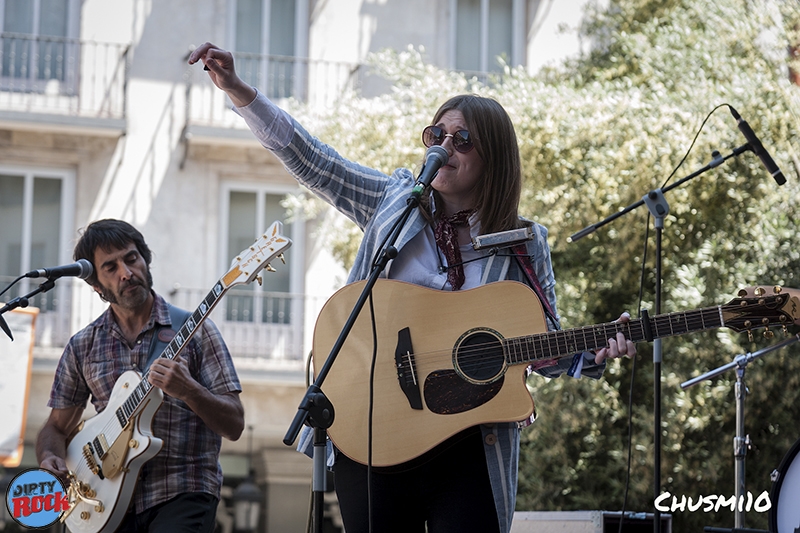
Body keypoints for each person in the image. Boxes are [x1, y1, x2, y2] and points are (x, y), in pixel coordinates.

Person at [189, 42, 635, 533]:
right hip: (373, 425)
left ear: (493, 157)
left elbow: (540, 342)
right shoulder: (393, 203)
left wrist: (592, 352)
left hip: (470, 439)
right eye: (436, 134)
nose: (444, 146)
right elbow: (314, 161)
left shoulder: (524, 244)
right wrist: (238, 90)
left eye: (462, 139)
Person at [35, 219, 245, 533]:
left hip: (182, 490)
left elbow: (234, 424)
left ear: (145, 260)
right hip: (104, 503)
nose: (126, 272)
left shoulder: (196, 331)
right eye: (110, 267)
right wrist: (50, 455)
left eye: (131, 258)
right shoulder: (83, 345)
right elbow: (55, 427)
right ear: (96, 285)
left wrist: (189, 390)